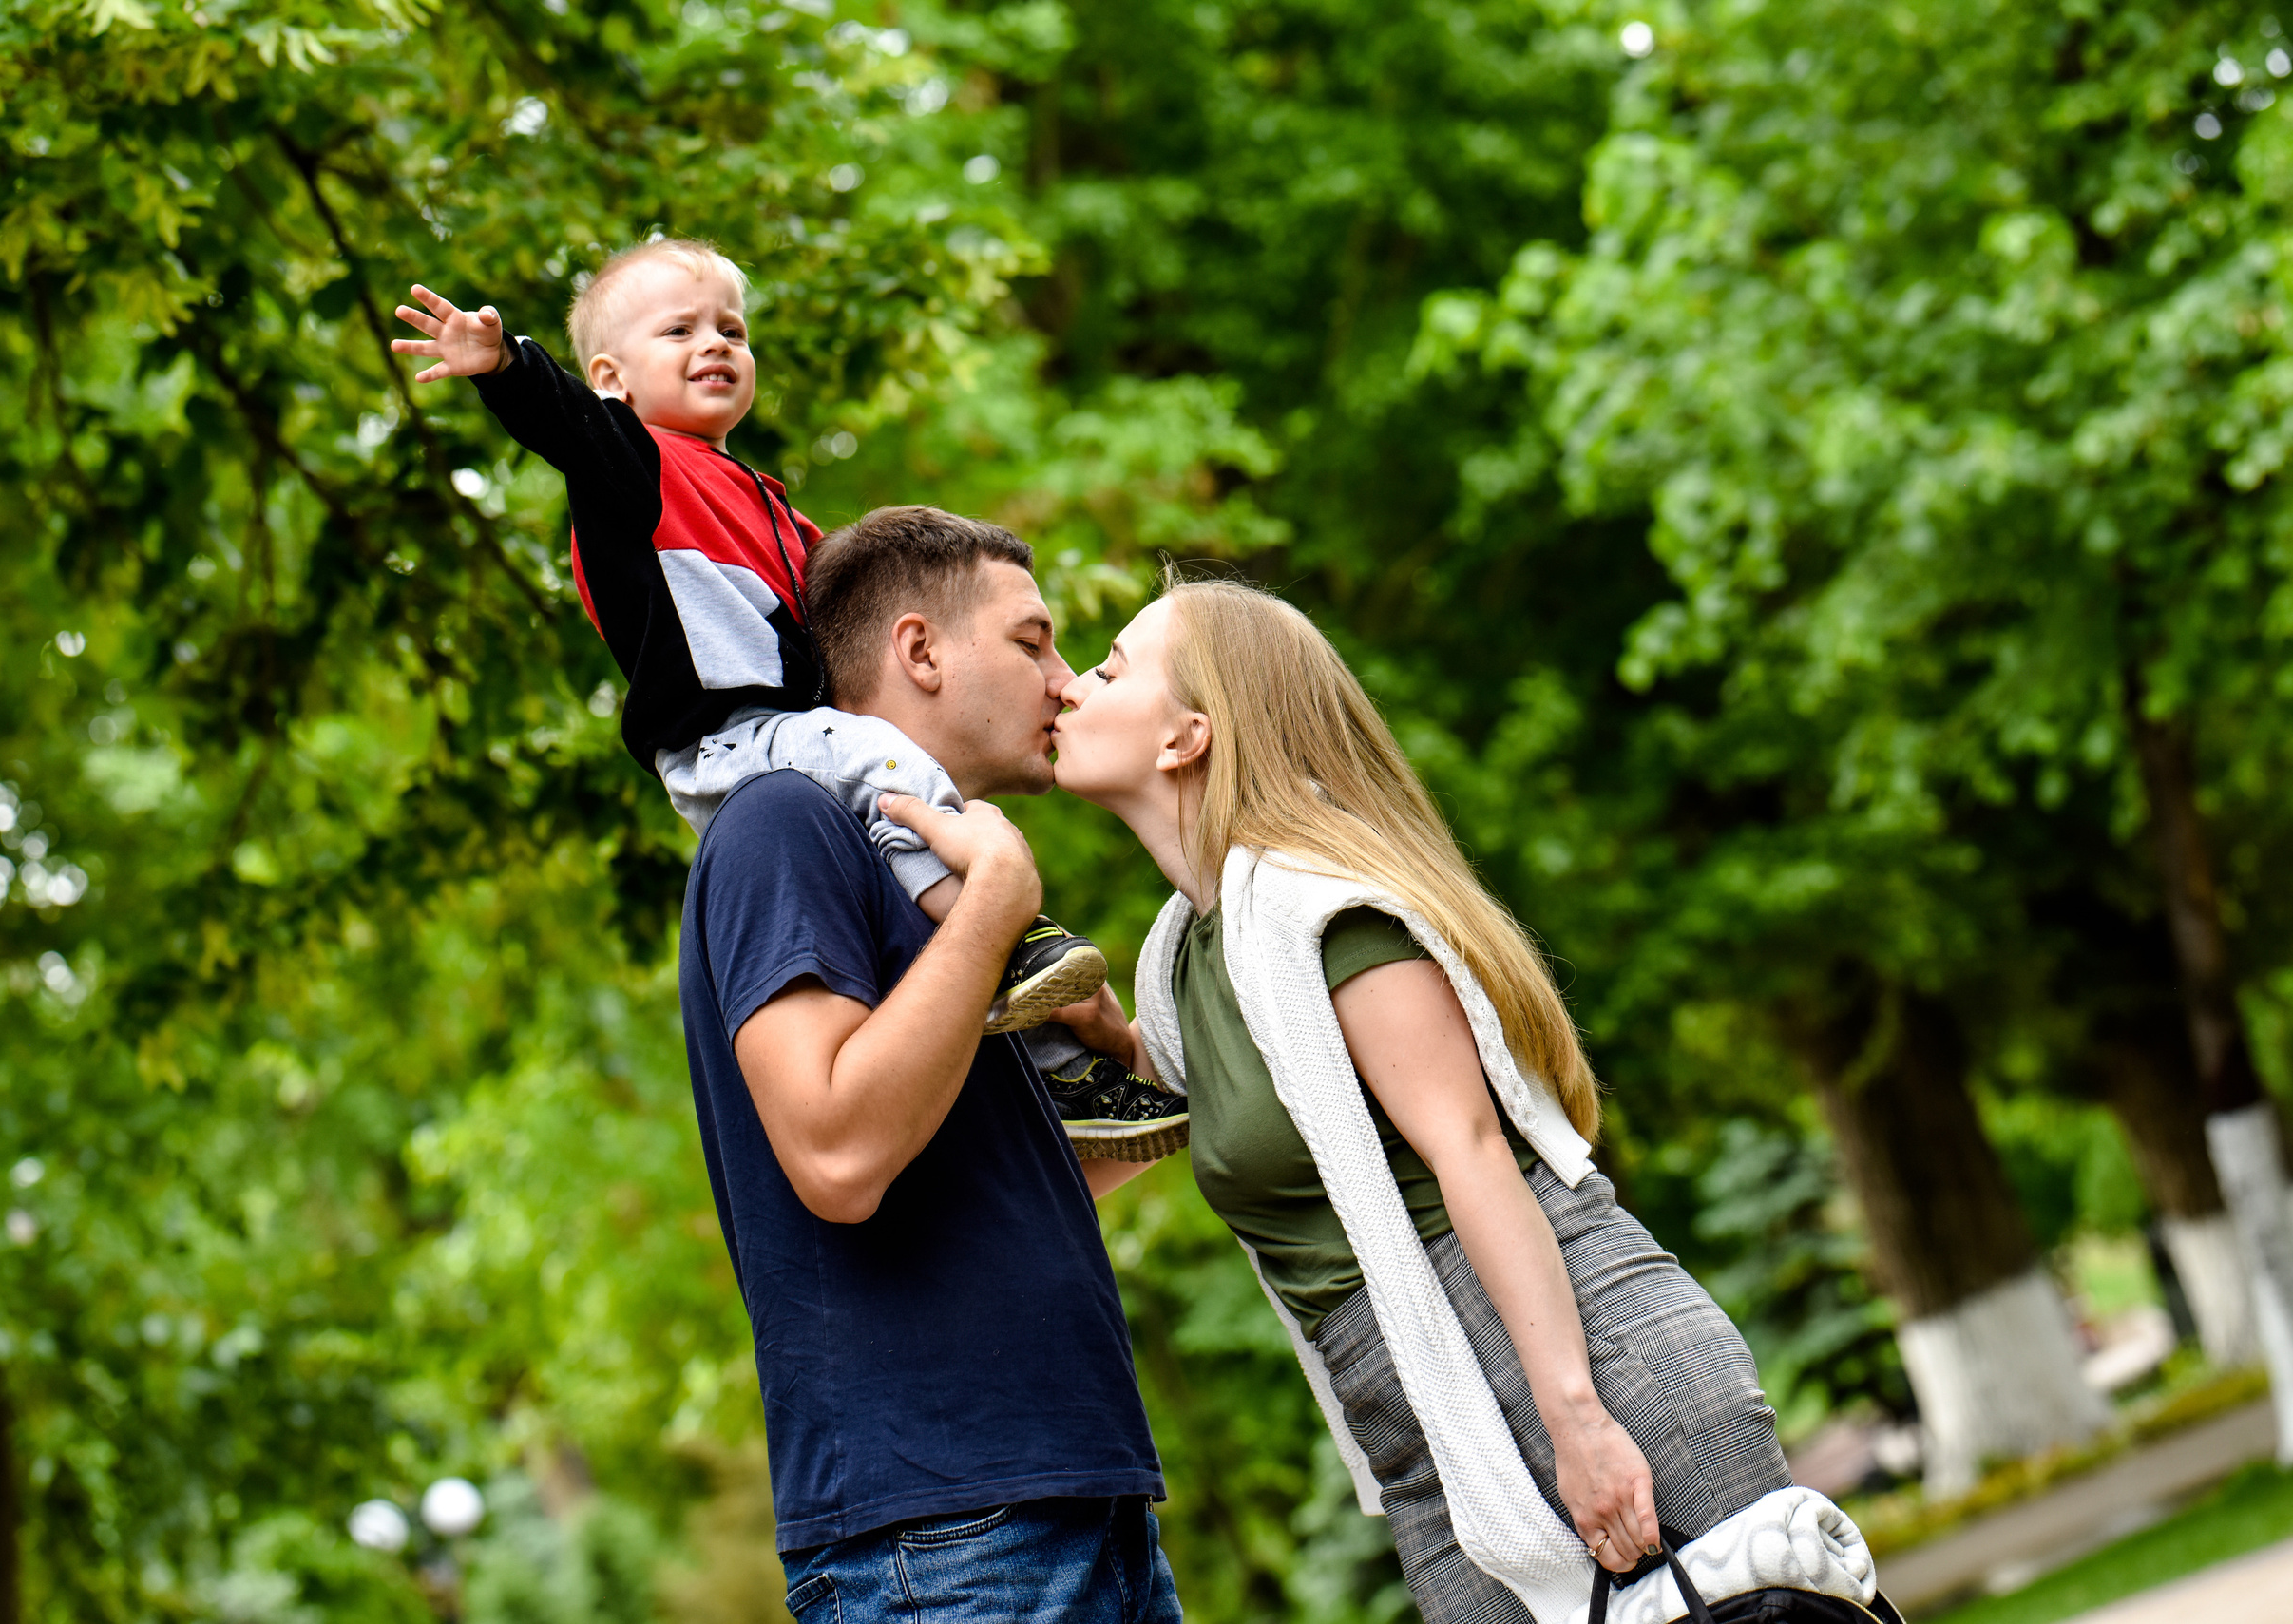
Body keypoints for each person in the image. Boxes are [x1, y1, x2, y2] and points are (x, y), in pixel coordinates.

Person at [1048, 578, 1891, 1624]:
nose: (1071, 685)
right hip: (1423, 1430)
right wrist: (1105, 1033)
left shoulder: (1322, 912)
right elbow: (1193, 1116)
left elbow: (1471, 1149)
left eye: (1109, 667)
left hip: (1582, 1371)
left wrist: (1578, 1418)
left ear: (1188, 736)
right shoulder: (1187, 957)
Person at [386, 241, 1181, 1151]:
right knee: (901, 778)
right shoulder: (630, 466)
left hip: (797, 732)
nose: (714, 343)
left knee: (912, 841)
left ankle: (1067, 1078)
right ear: (611, 378)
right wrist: (506, 366)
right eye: (679, 330)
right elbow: (565, 424)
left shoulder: (770, 505)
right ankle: (1003, 933)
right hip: (727, 734)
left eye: (731, 328)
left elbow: (857, 602)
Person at [678, 506, 1185, 1623]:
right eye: (1031, 640)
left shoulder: (932, 886)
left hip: (1082, 1506)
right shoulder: (783, 822)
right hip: (943, 1539)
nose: (1063, 681)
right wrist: (996, 905)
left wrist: (1133, 1074)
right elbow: (837, 1155)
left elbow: (996, 1182)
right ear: (919, 650)